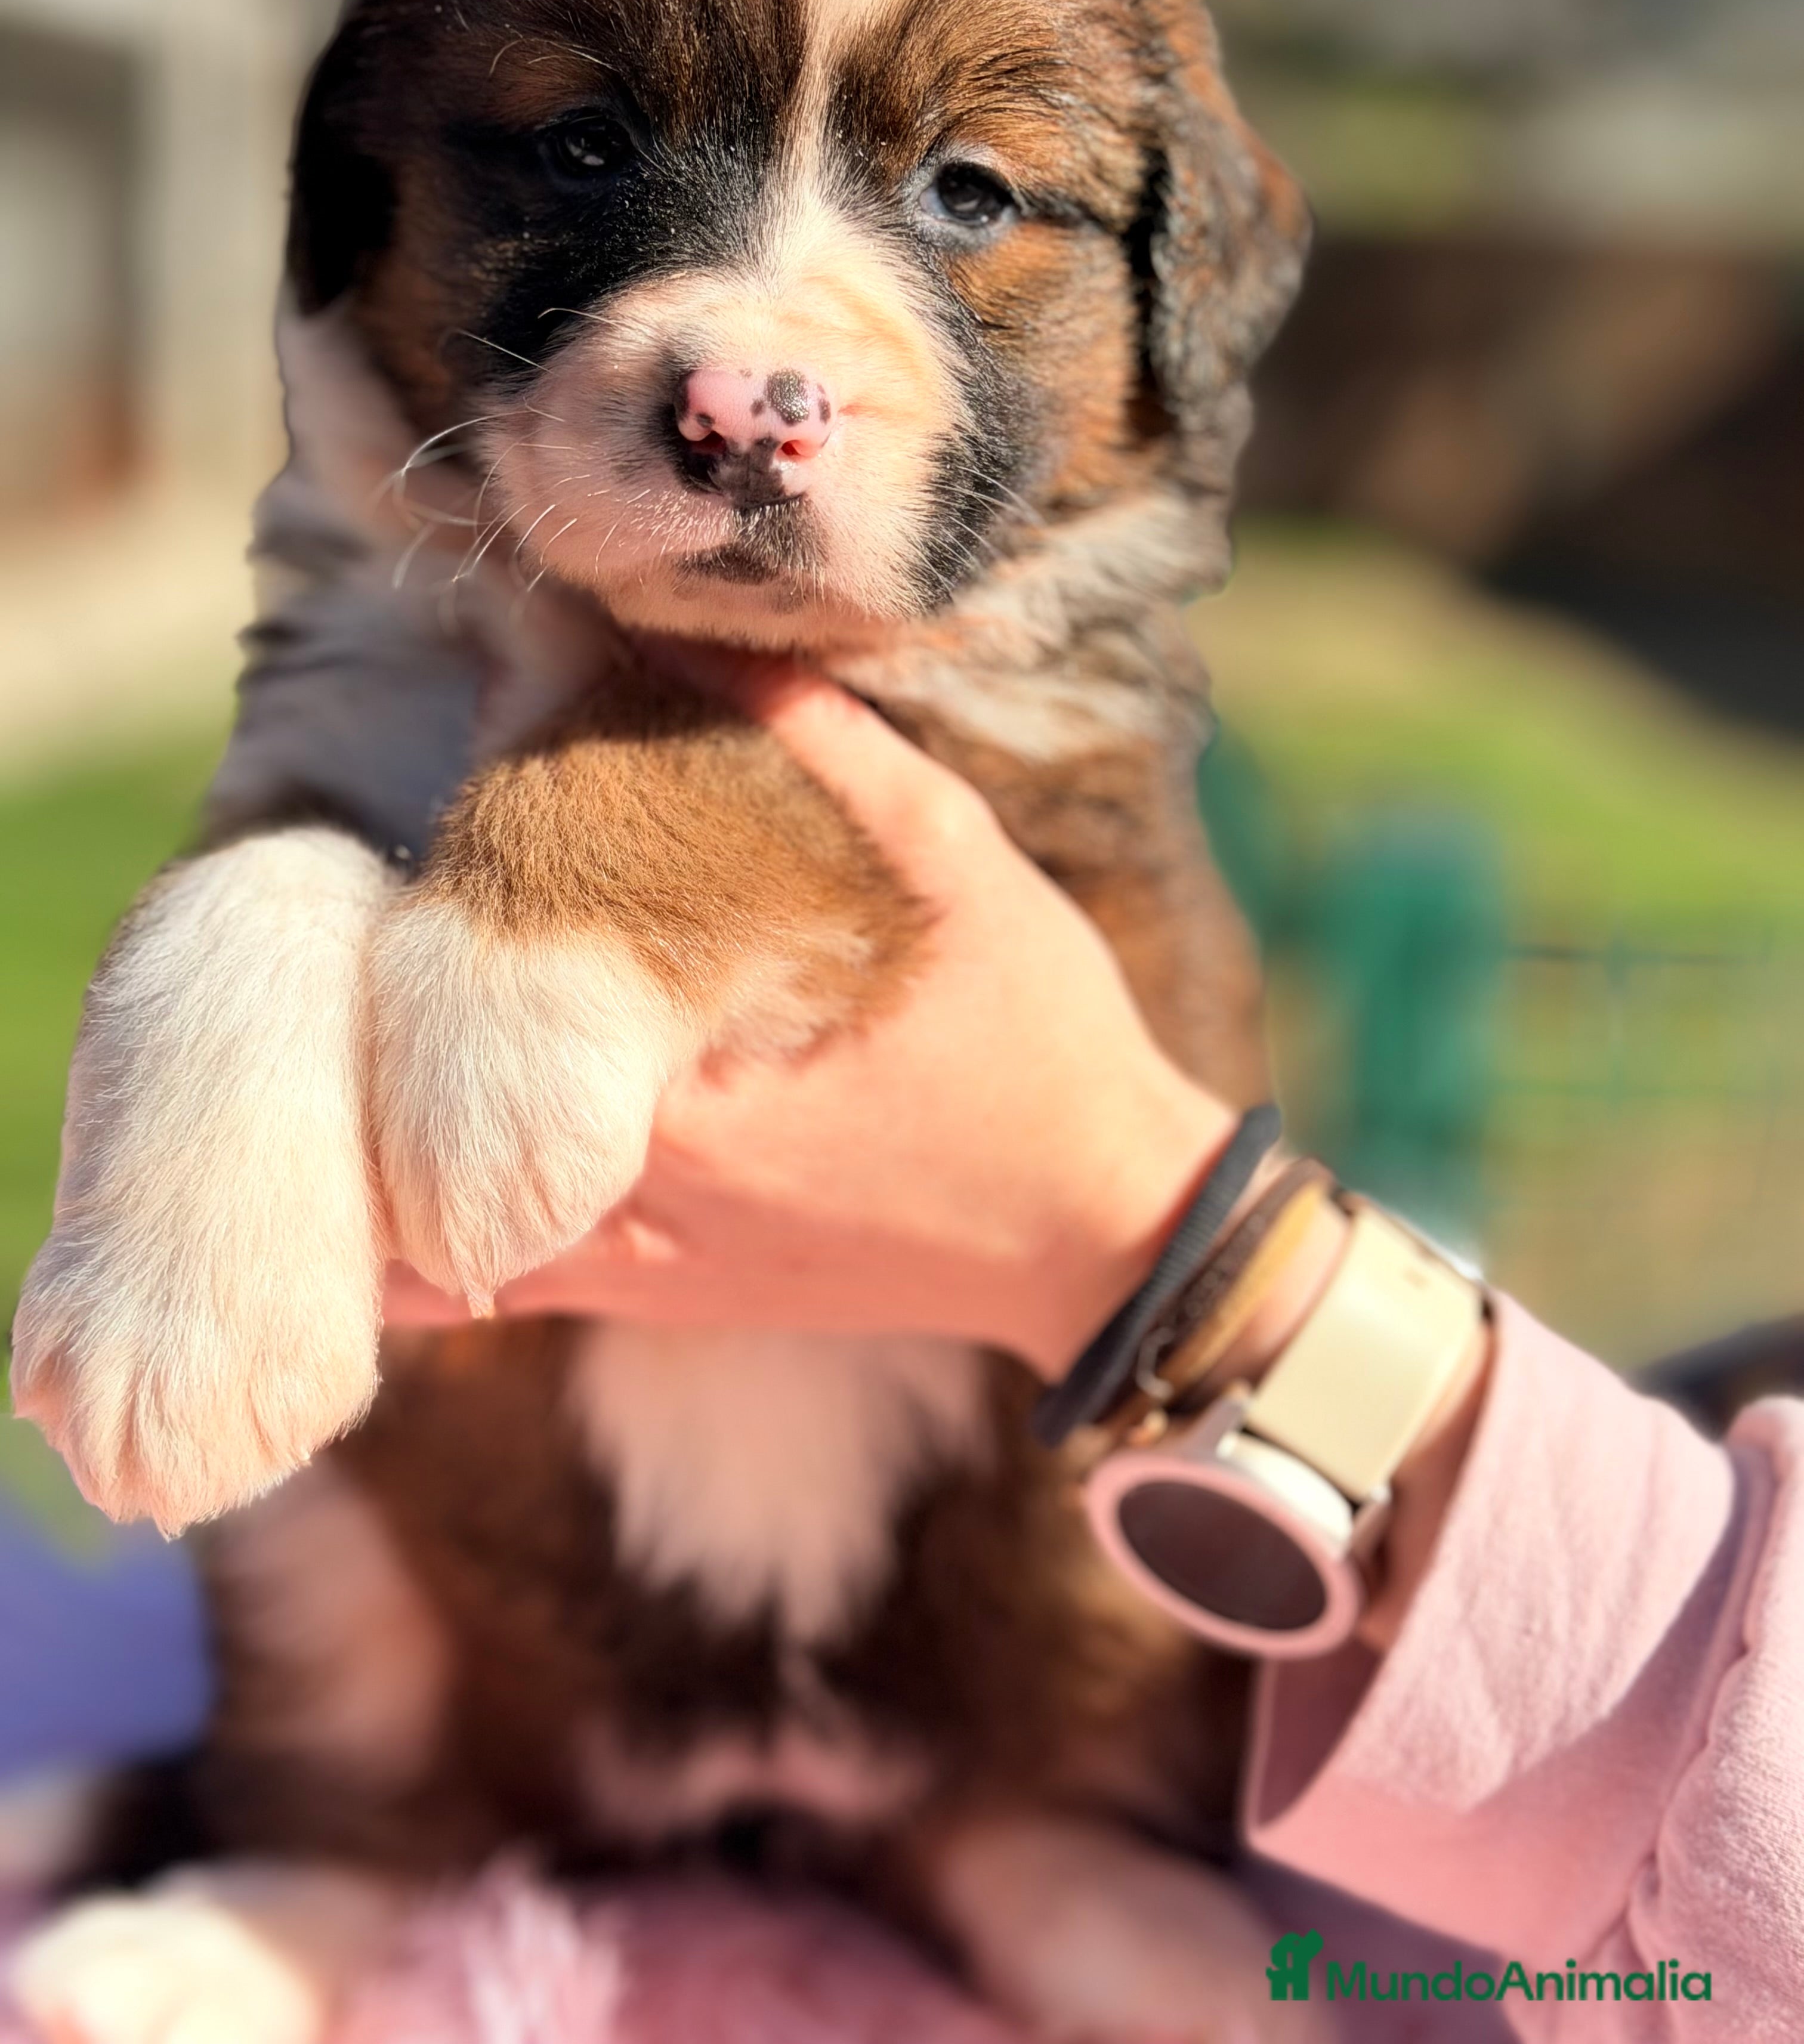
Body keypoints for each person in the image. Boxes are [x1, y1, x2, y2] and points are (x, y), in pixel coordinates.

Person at [7, 651, 1802, 2037]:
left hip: (1025, 1705)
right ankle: (320, 1867)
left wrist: (1149, 1248)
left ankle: (995, 1837)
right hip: (503, 1671)